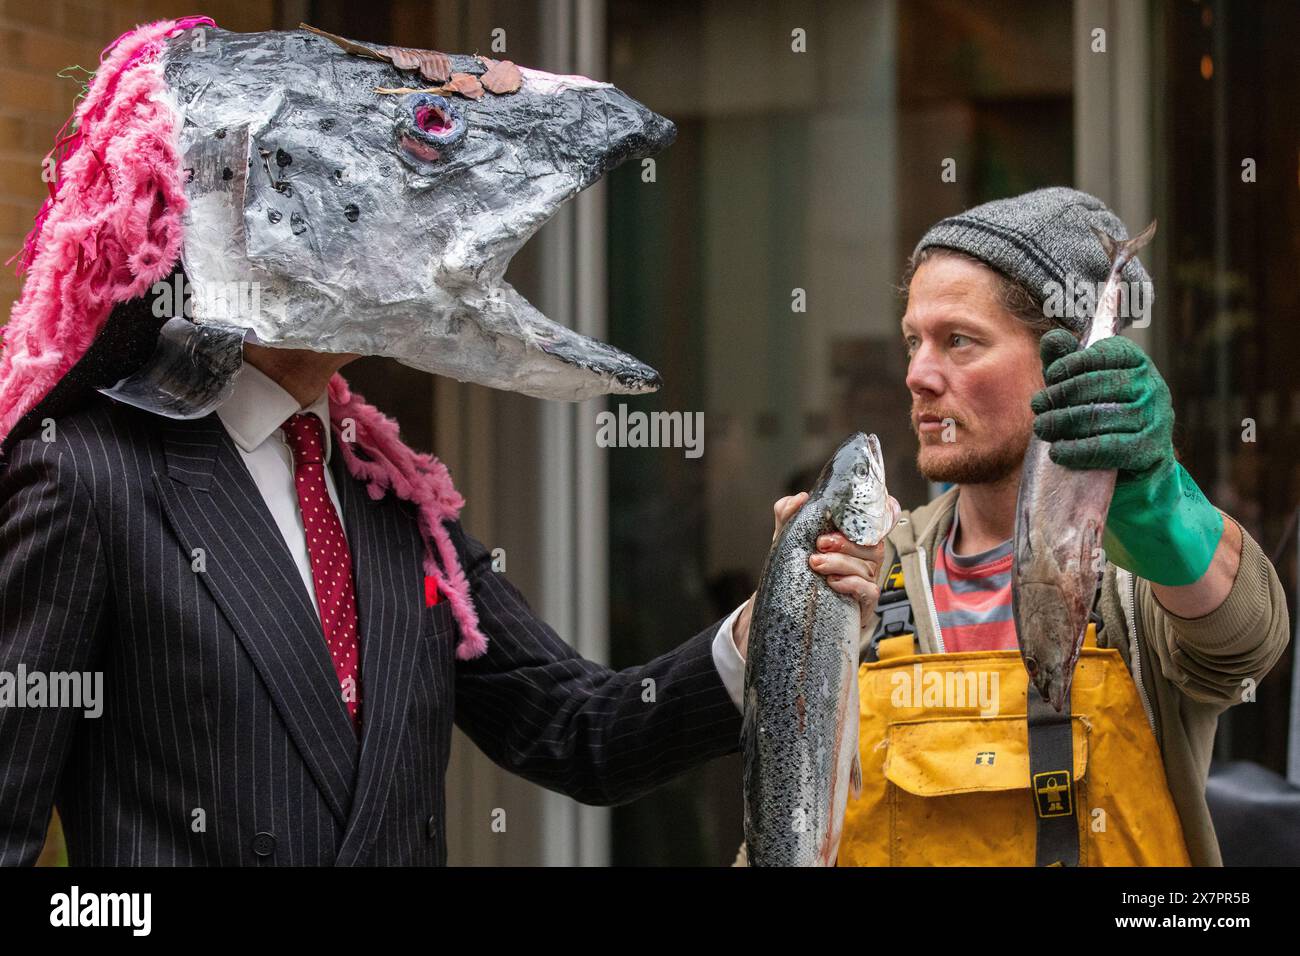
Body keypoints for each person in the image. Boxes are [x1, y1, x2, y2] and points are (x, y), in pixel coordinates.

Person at [722, 188, 1290, 866]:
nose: (917, 375)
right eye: (913, 342)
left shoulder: (1138, 573)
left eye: (958, 341)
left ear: (1065, 361)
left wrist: (1159, 505)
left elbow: (1246, 640)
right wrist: (784, 615)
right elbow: (779, 823)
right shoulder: (869, 566)